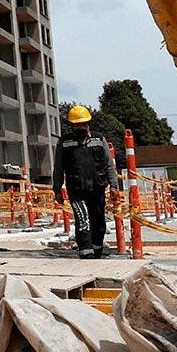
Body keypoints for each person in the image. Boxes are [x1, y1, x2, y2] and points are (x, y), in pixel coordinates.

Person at [53, 105, 119, 259]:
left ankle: (97, 249)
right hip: (76, 189)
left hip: (97, 187)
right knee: (83, 220)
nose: (80, 127)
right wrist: (57, 189)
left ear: (88, 123)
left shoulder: (99, 139)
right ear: (72, 125)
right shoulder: (64, 143)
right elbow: (58, 167)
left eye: (83, 124)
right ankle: (85, 251)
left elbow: (109, 164)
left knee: (99, 221)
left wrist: (114, 186)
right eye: (77, 124)